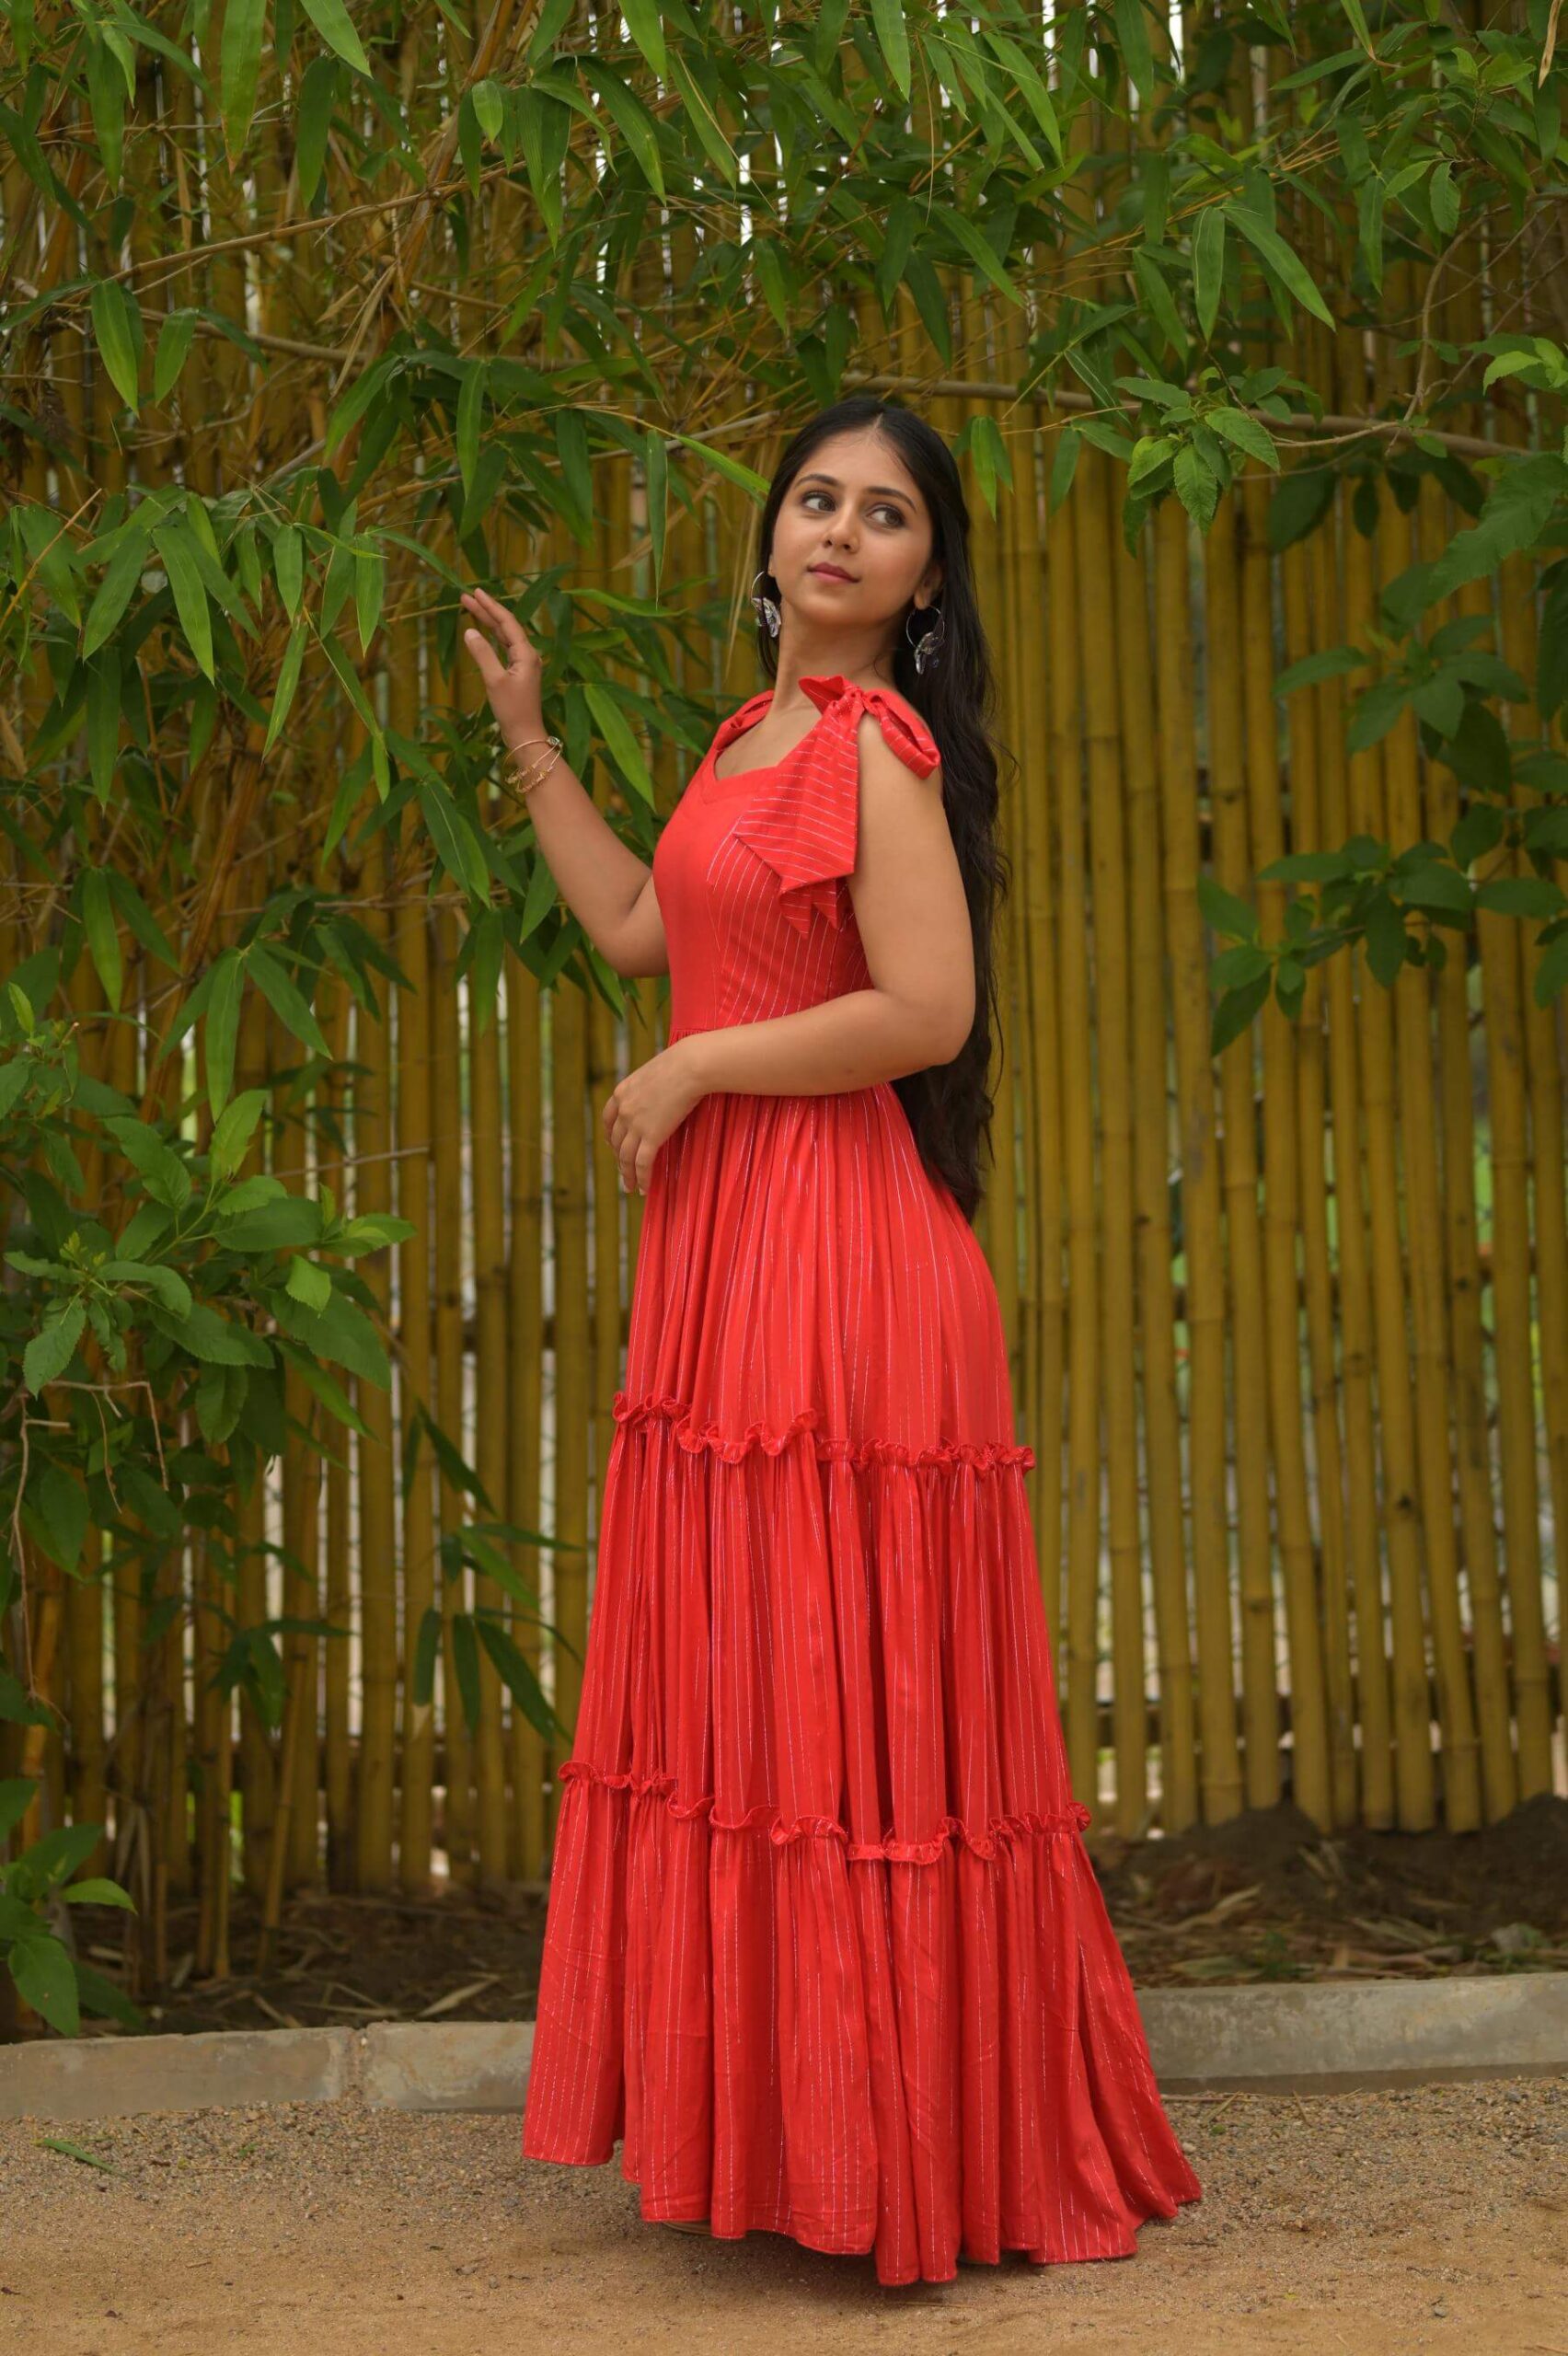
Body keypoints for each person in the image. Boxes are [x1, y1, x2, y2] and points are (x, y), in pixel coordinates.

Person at [460, 395, 1202, 2286]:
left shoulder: (872, 744)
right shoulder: (749, 738)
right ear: (772, 528)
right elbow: (642, 926)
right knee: (773, 1693)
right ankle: (809, 2139)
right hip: (737, 1254)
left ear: (927, 577)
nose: (841, 531)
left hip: (842, 1257)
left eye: (886, 516)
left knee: (845, 1706)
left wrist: (706, 1063)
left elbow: (927, 1008)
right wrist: (534, 744)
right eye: (817, 497)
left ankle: (907, 2155)